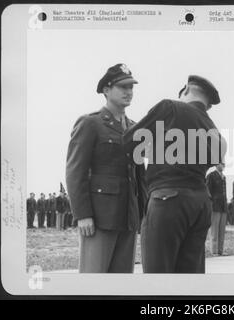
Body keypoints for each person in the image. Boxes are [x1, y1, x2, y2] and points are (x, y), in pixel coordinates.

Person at [123, 75, 227, 273]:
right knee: (189, 280)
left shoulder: (170, 108)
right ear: (208, 105)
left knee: (158, 278)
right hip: (200, 203)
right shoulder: (215, 132)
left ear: (186, 90)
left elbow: (130, 142)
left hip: (167, 199)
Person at [66, 63, 147, 273]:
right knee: (94, 283)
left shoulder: (134, 128)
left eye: (131, 88)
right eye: (123, 87)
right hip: (99, 219)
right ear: (106, 90)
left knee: (121, 285)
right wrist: (82, 214)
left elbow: (140, 176)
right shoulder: (90, 123)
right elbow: (75, 172)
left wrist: (143, 214)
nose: (129, 92)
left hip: (128, 217)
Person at [206, 163, 227, 256]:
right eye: (220, 164)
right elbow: (207, 190)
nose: (222, 165)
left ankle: (220, 250)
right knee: (214, 230)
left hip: (223, 206)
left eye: (223, 164)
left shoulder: (224, 177)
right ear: (216, 165)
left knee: (222, 230)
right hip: (215, 206)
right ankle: (214, 251)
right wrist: (211, 203)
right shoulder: (211, 176)